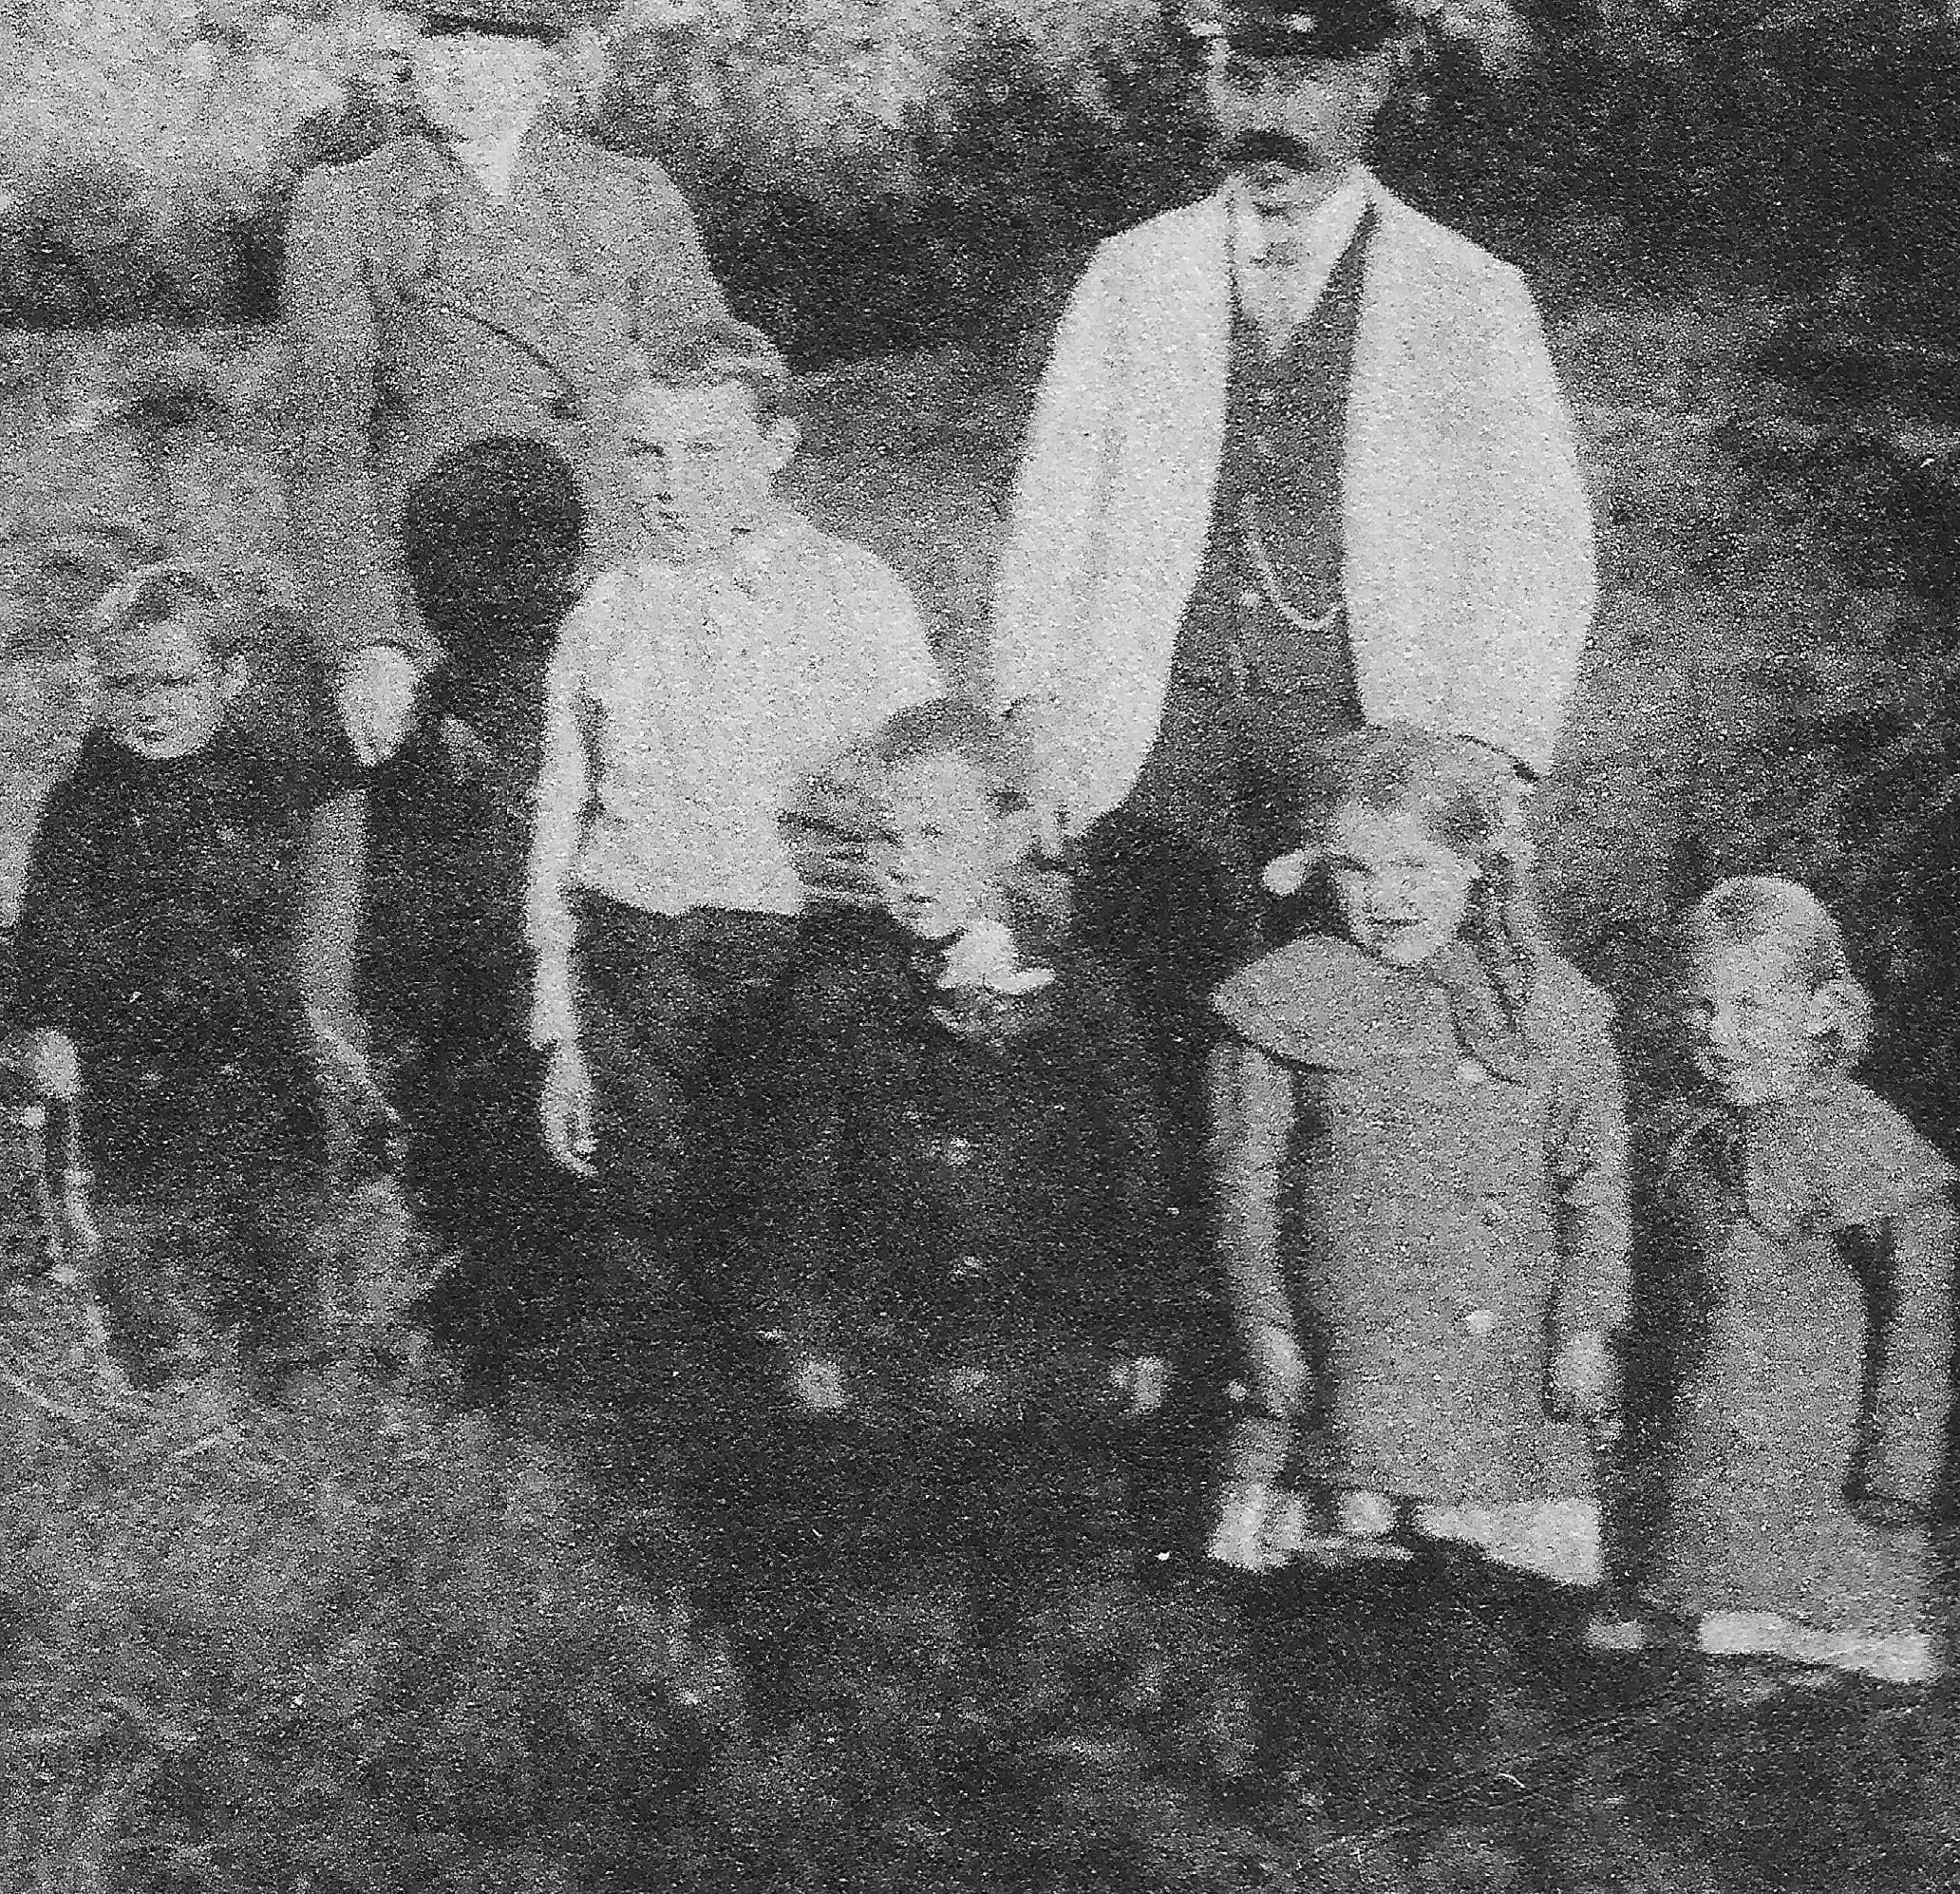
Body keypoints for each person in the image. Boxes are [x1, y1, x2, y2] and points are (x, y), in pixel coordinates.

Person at [986, 0, 1599, 1132]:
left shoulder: (1465, 293)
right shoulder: (1133, 277)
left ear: (1367, 92)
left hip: (1369, 724)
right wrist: (1031, 708)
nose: (1264, 120)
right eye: (1240, 85)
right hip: (1159, 724)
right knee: (1151, 1014)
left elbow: (1541, 539)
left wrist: (1485, 743)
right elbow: (1050, 510)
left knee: (1362, 1024)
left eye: (1299, 86)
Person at [726, 700, 1176, 1740]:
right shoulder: (835, 999)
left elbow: (1136, 1177)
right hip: (892, 1334)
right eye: (887, 840)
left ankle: (1048, 1735)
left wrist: (1144, 1326)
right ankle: (892, 1739)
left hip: (1045, 1336)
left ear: (1012, 837)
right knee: (889, 1546)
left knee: (1045, 1539)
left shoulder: (1087, 997)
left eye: (938, 837)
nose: (908, 869)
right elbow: (800, 1184)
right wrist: (802, 1328)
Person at [280, 0, 727, 768]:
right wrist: (367, 640)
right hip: (445, 608)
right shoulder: (349, 204)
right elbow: (327, 449)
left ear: (546, 54)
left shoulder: (634, 195)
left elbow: (718, 410)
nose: (451, 61)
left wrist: (713, 586)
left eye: (486, 36)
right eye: (436, 32)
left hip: (619, 586)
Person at [522, 323, 939, 1294]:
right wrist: (561, 1027)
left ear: (776, 448)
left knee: (793, 1221)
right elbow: (560, 818)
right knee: (644, 1228)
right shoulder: (604, 615)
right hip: (632, 959)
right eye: (646, 454)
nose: (672, 485)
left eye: (705, 452)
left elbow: (926, 789)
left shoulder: (853, 594)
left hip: (790, 956)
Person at [1204, 727, 1630, 1595]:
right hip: (1346, 1355)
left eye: (1415, 868)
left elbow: (1595, 1187)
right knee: (1338, 1611)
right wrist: (1266, 1328)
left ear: (1479, 865)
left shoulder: (1552, 1007)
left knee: (1490, 1613)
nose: (1385, 898)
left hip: (1501, 1365)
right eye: (1357, 870)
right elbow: (1243, 1188)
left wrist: (1587, 1329)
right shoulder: (1279, 1003)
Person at [1602, 876, 1959, 1688]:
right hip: (1703, 1457)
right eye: (1700, 1008)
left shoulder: (1860, 1138)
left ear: (1823, 1010)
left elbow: (1919, 1312)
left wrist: (1899, 1464)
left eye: (1750, 1009)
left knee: (1814, 1688)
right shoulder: (1681, 1138)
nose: (1719, 1035)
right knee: (1703, 1674)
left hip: (1820, 1472)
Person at [11, 560, 348, 1381]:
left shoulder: (268, 773)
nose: (150, 706)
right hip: (133, 1034)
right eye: (127, 685)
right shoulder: (87, 796)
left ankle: (288, 1344)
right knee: (134, 1197)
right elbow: (50, 919)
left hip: (252, 1024)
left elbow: (351, 763)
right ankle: (147, 1354)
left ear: (228, 678)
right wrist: (51, 1025)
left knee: (278, 1190)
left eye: (173, 682)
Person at [352, 433, 604, 1388]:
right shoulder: (465, 692)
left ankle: (492, 1339)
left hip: (504, 980)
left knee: (489, 1160)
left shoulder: (468, 692)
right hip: (519, 978)